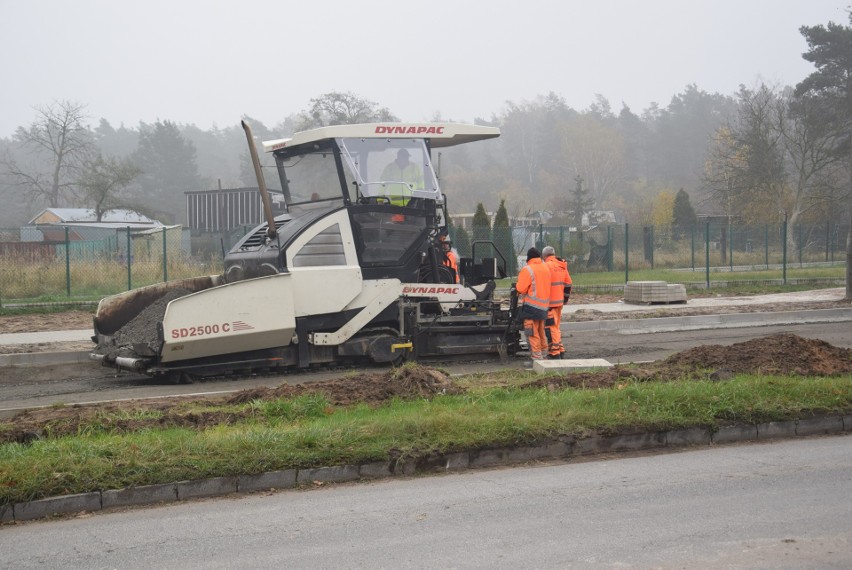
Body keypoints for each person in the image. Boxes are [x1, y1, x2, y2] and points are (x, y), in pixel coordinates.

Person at [515, 247, 551, 361]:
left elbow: (521, 288)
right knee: (541, 332)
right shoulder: (545, 268)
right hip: (543, 307)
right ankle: (544, 354)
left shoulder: (528, 269)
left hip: (531, 308)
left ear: (529, 258)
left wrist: (516, 287)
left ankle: (536, 357)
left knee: (531, 333)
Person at [542, 245, 572, 359]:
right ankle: (560, 349)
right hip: (559, 303)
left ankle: (554, 353)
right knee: (556, 327)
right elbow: (568, 283)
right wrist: (565, 299)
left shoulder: (546, 266)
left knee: (550, 328)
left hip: (549, 304)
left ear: (544, 256)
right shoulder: (562, 266)